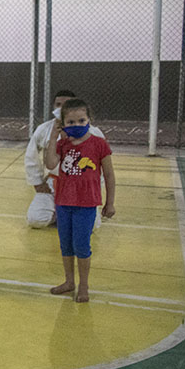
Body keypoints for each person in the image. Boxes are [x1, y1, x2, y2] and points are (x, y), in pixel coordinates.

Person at [44, 98, 116, 303]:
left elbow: (109, 175)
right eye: (71, 122)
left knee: (82, 246)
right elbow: (50, 163)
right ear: (63, 124)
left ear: (89, 120)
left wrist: (110, 202)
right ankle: (69, 282)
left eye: (81, 120)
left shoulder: (99, 144)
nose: (77, 125)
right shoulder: (62, 144)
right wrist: (53, 137)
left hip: (86, 204)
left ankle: (84, 285)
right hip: (63, 202)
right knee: (66, 245)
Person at [26, 90, 105, 228]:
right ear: (53, 107)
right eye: (58, 104)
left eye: (66, 104)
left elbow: (102, 166)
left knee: (91, 225)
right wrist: (37, 182)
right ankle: (59, 213)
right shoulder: (44, 129)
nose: (61, 108)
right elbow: (31, 156)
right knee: (36, 219)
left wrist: (95, 187)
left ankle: (69, 215)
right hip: (54, 184)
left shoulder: (93, 133)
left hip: (82, 186)